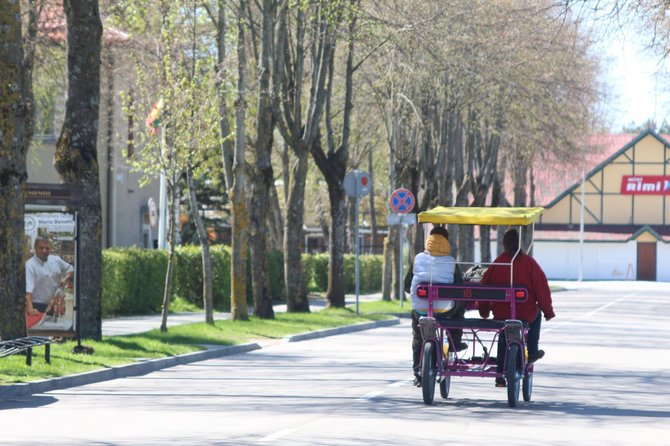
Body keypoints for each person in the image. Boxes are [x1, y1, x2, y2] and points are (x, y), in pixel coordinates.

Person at [479, 228, 555, 387]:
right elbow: (541, 289)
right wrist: (548, 311)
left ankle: (499, 375)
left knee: (503, 334)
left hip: (501, 314)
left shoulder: (498, 263)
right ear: (518, 243)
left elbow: (483, 289)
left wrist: (484, 312)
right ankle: (533, 351)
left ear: (504, 244)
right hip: (525, 313)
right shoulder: (529, 263)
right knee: (537, 314)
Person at [409, 225, 466, 387]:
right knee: (458, 305)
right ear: (446, 242)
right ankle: (455, 339)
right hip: (444, 309)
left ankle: (417, 373)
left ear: (429, 240)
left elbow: (408, 284)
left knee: (417, 334)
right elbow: (459, 287)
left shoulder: (418, 258)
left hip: (421, 308)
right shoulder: (451, 261)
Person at [25, 236, 74, 317]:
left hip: (56, 304)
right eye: (41, 248)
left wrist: (65, 279)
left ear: (50, 248)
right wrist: (30, 309)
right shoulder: (29, 265)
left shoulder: (56, 260)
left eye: (47, 248)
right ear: (35, 248)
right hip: (37, 306)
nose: (44, 251)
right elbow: (28, 291)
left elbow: (71, 269)